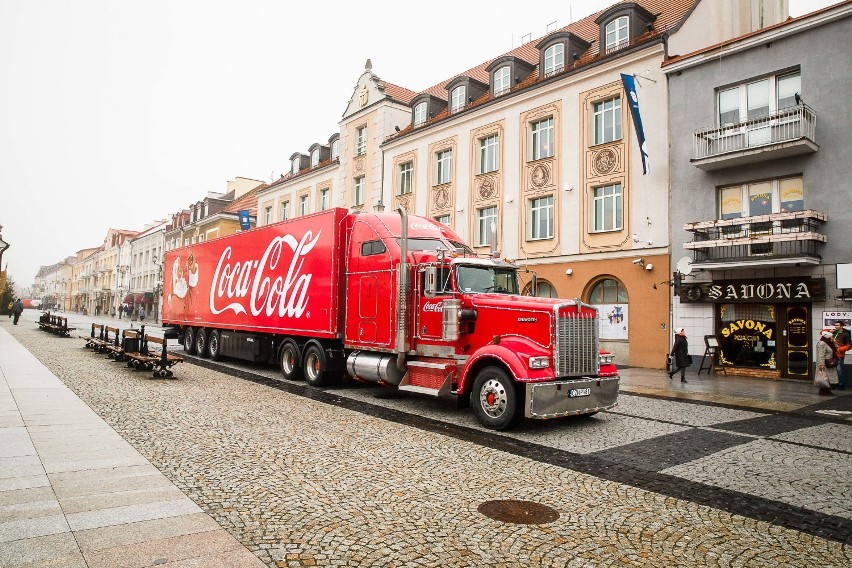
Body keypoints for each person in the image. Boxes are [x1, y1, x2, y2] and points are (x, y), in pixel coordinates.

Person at [815, 330, 838, 396]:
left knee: (828, 378)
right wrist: (821, 364)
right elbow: (821, 355)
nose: (832, 337)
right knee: (823, 377)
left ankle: (828, 390)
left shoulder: (829, 343)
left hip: (829, 362)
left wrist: (834, 343)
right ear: (827, 336)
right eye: (831, 336)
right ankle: (822, 391)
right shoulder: (822, 343)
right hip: (824, 364)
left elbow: (835, 350)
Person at [832, 321, 850, 390]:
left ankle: (841, 384)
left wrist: (839, 349)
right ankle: (834, 383)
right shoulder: (834, 332)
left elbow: (849, 346)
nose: (835, 326)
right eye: (835, 325)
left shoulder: (846, 334)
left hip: (839, 355)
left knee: (839, 370)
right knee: (833, 370)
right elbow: (822, 332)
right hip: (832, 355)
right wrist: (830, 330)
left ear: (841, 326)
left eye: (837, 325)